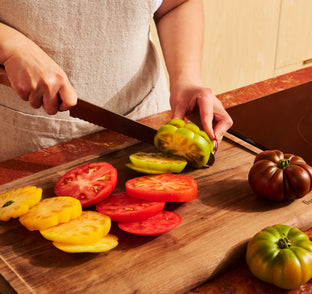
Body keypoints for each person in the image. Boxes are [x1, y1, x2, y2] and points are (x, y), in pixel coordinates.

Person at [0, 0, 233, 162]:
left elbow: (177, 4)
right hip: (24, 143)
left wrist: (186, 80)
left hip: (144, 124)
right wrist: (10, 47)